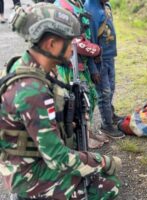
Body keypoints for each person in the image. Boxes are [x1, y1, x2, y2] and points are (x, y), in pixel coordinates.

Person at [0, 3, 121, 199]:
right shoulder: (32, 90)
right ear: (52, 44)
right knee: (109, 185)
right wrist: (103, 162)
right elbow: (58, 158)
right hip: (28, 174)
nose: (74, 47)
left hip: (27, 159)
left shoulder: (24, 65)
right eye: (70, 40)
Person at [54, 0, 109, 148]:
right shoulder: (62, 6)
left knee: (90, 98)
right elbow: (74, 41)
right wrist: (96, 50)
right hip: (69, 67)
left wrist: (93, 68)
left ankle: (88, 131)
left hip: (83, 64)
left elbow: (87, 36)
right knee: (75, 104)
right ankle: (79, 139)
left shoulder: (79, 4)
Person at [85, 0, 125, 138]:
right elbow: (88, 42)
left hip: (108, 57)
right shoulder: (90, 11)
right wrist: (93, 69)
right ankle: (106, 125)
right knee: (104, 93)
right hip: (98, 61)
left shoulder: (106, 5)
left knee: (111, 88)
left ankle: (110, 114)